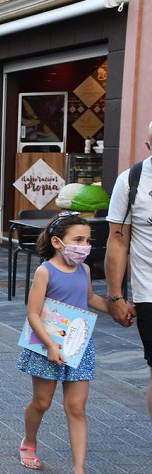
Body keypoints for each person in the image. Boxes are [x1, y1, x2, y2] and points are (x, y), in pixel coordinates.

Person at [16, 212, 109, 474]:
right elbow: (33, 312)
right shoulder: (45, 271)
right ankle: (29, 442)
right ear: (57, 242)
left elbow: (90, 298)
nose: (84, 246)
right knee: (42, 402)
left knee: (77, 407)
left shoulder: (85, 269)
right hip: (49, 346)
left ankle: (79, 472)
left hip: (79, 346)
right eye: (78, 240)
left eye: (87, 241)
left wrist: (117, 309)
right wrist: (50, 345)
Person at [105, 121, 151, 419]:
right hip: (149, 293)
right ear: (148, 146)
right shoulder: (132, 180)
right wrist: (116, 296)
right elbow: (117, 242)